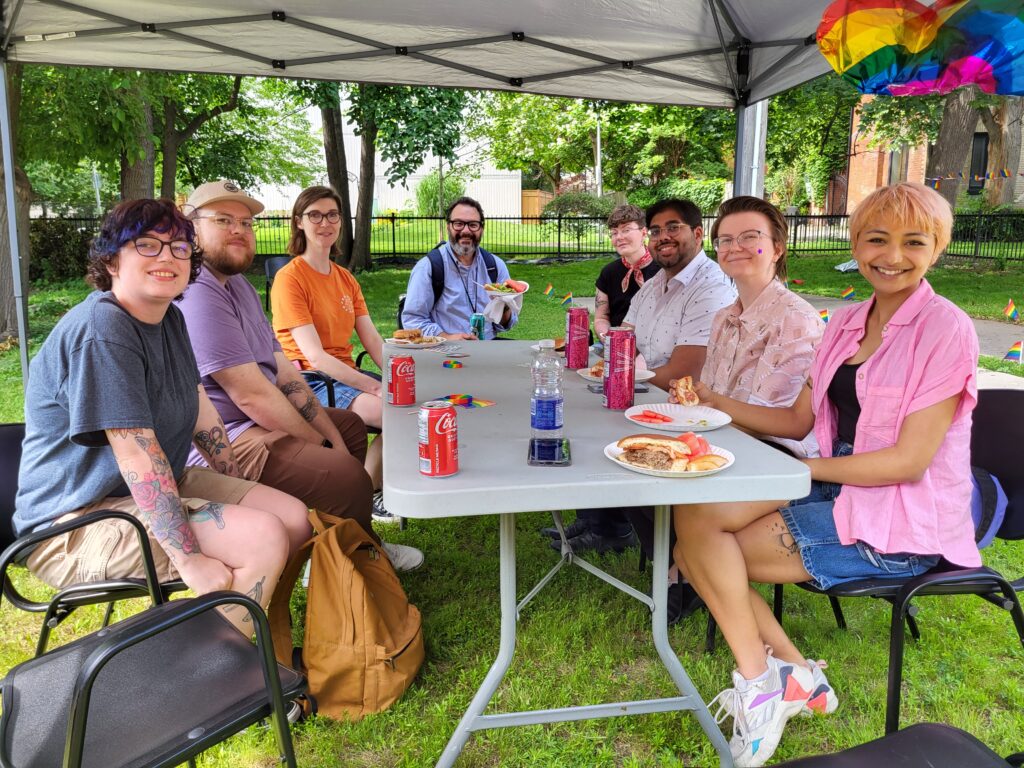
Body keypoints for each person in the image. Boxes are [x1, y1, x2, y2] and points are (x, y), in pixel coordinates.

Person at [673, 182, 980, 767]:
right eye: (876, 239)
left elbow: (907, 462)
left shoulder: (948, 329)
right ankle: (783, 674)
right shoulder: (843, 322)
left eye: (913, 242)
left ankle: (764, 684)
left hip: (899, 519)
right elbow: (795, 419)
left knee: (703, 551)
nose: (892, 255)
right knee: (692, 522)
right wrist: (711, 401)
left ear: (936, 248)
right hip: (835, 486)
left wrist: (799, 472)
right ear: (855, 244)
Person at [15, 198, 310, 635]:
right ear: (113, 259)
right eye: (147, 246)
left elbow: (201, 413)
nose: (167, 258)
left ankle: (261, 646)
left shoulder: (169, 317)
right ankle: (209, 684)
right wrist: (188, 559)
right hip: (73, 525)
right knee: (261, 537)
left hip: (152, 489)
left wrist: (237, 484)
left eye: (178, 248)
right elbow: (136, 456)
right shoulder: (103, 329)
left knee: (293, 518)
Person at [177, 180, 422, 572]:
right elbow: (257, 393)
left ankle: (335, 544)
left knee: (351, 434)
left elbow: (283, 371)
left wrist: (330, 432)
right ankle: (361, 554)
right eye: (223, 220)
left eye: (245, 222)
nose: (238, 229)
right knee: (343, 470)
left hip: (275, 407)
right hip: (231, 435)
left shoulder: (238, 285)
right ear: (192, 229)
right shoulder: (201, 293)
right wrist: (321, 442)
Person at [542, 204, 659, 554]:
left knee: (613, 428)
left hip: (651, 362)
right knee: (585, 420)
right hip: (614, 356)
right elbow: (602, 315)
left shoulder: (663, 272)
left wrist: (632, 355)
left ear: (644, 233)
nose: (620, 236)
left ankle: (614, 528)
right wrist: (610, 342)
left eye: (627, 229)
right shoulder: (609, 272)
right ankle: (592, 516)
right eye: (614, 231)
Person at [270, 185, 392, 521]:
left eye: (333, 215)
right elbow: (317, 357)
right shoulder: (289, 279)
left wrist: (399, 376)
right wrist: (376, 387)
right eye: (315, 215)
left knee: (410, 406)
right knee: (394, 413)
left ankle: (364, 493)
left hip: (346, 375)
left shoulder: (345, 279)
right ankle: (362, 499)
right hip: (311, 379)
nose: (325, 223)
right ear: (299, 222)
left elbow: (373, 341)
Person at [621, 197, 736, 393]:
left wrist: (620, 376)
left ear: (697, 234)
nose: (663, 237)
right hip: (647, 399)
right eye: (655, 232)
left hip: (691, 412)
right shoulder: (652, 286)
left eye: (673, 228)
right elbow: (620, 346)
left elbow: (683, 376)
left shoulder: (712, 289)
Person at [401, 196, 520, 340]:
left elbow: (506, 323)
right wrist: (446, 337)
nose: (466, 231)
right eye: (458, 224)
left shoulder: (494, 266)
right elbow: (412, 320)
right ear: (448, 226)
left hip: (488, 350)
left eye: (473, 225)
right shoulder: (428, 267)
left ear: (481, 228)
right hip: (444, 353)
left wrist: (505, 305)